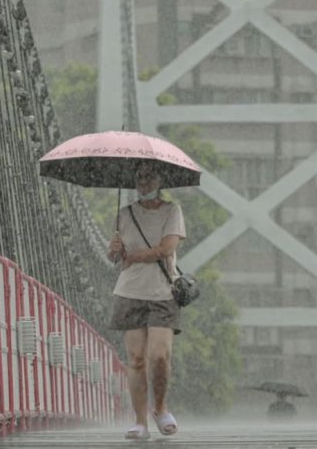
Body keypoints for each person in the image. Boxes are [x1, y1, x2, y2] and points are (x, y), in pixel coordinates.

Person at [107, 161, 186, 440]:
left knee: (160, 356)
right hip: (130, 292)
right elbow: (115, 258)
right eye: (139, 178)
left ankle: (161, 407)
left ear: (160, 180)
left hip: (163, 293)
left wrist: (134, 256)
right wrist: (115, 251)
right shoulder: (124, 214)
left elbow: (166, 249)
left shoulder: (172, 211)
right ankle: (140, 420)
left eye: (149, 177)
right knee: (137, 359)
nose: (143, 183)